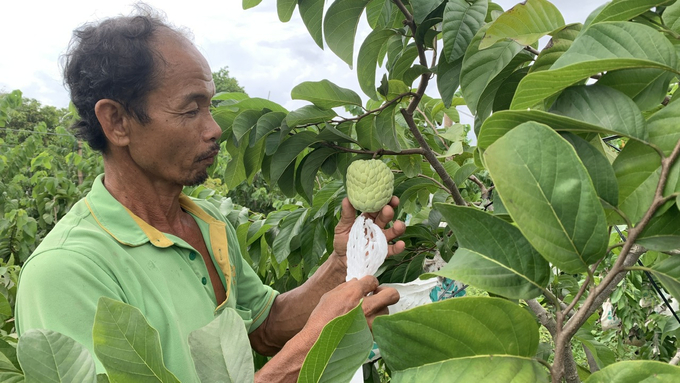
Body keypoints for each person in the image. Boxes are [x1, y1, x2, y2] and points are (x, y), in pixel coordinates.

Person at [15, 6, 404, 383]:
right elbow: (294, 352)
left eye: (210, 106)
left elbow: (264, 328)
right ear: (117, 121)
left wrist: (340, 263)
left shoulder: (206, 221)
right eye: (190, 110)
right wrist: (314, 350)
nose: (215, 128)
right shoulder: (65, 272)